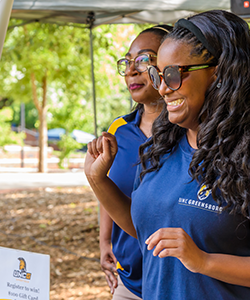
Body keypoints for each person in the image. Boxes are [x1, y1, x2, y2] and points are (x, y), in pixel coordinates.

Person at [85, 10, 250, 300]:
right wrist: (98, 180)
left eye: (173, 74)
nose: (163, 88)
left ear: (218, 73)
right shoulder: (161, 145)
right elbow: (148, 232)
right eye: (158, 75)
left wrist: (204, 261)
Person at [89, 25, 172, 300]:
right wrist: (104, 242)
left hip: (179, 280)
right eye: (127, 61)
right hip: (130, 282)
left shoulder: (191, 131)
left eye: (144, 59)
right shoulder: (118, 130)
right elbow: (109, 189)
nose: (131, 71)